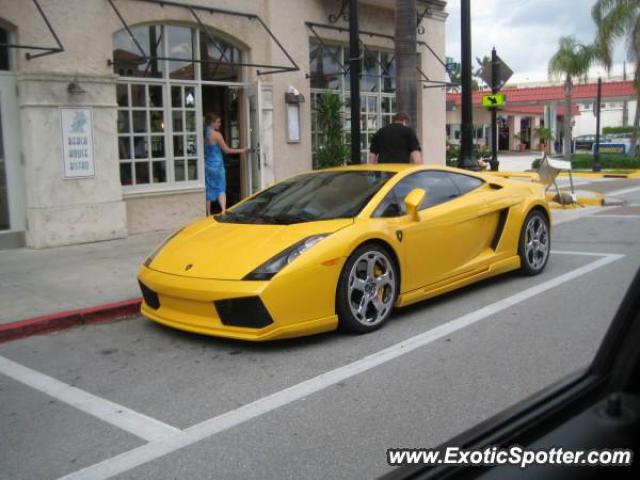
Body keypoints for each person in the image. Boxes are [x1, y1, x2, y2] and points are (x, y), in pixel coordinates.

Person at [203, 113, 248, 215]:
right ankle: (223, 210)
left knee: (209, 188)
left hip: (207, 165)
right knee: (221, 187)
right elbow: (226, 150)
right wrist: (242, 150)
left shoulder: (204, 134)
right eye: (218, 122)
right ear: (212, 122)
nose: (220, 124)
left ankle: (208, 213)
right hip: (217, 165)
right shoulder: (217, 135)